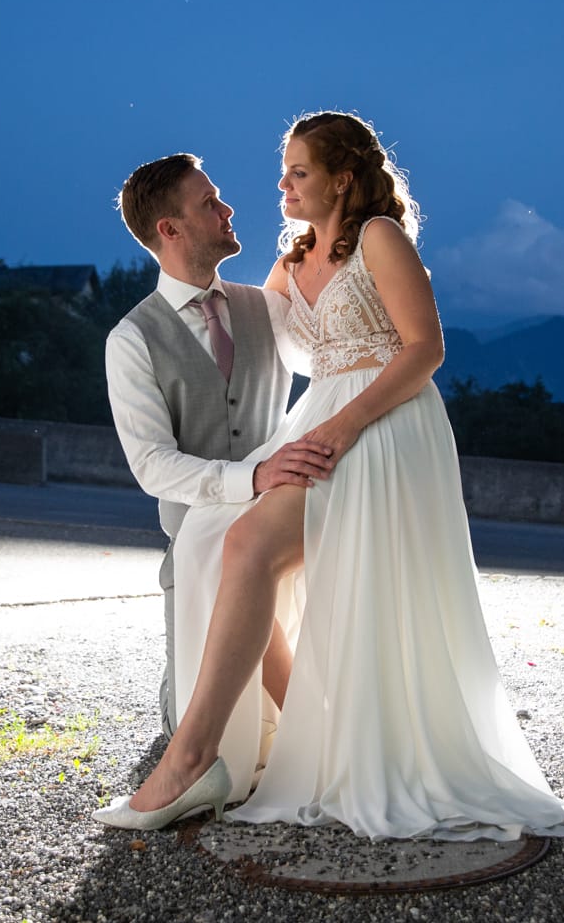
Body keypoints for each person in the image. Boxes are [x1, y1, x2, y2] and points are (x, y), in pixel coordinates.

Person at [95, 113, 564, 841]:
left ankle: (191, 758)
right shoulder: (287, 263)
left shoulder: (379, 238)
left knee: (247, 548)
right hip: (323, 425)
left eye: (297, 171)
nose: (279, 184)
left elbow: (424, 349)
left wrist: (341, 423)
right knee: (225, 542)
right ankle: (312, 732)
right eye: (284, 170)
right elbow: (264, 333)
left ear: (341, 177)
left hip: (382, 423)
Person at [105, 153, 336, 746]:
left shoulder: (268, 307)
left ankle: (331, 742)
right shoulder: (131, 338)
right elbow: (152, 465)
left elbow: (334, 363)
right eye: (209, 202)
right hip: (197, 552)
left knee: (300, 720)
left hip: (282, 542)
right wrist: (254, 477)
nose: (228, 208)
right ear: (170, 229)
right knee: (188, 728)